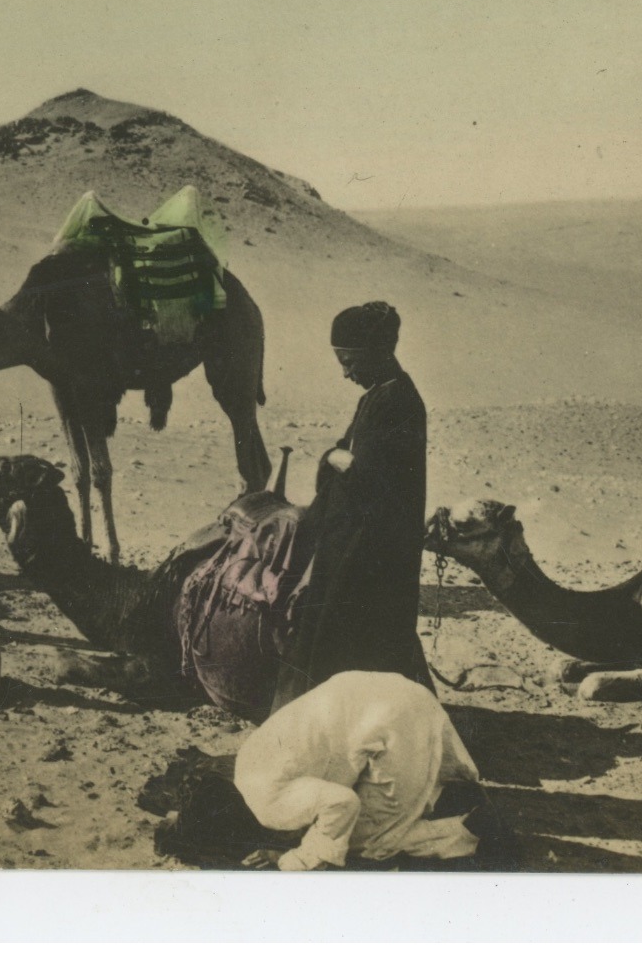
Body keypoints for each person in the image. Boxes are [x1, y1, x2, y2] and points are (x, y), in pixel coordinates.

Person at [272, 301, 433, 711]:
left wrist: (336, 460)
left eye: (349, 362)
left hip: (369, 554)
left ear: (375, 353)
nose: (345, 373)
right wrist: (336, 459)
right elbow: (349, 454)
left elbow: (369, 480)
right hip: (359, 546)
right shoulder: (379, 395)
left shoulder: (397, 401)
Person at [235, 671, 481, 871]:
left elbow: (343, 803)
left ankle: (466, 833)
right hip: (391, 691)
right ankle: (440, 797)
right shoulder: (244, 767)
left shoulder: (269, 809)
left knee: (367, 841)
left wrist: (296, 859)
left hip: (391, 722)